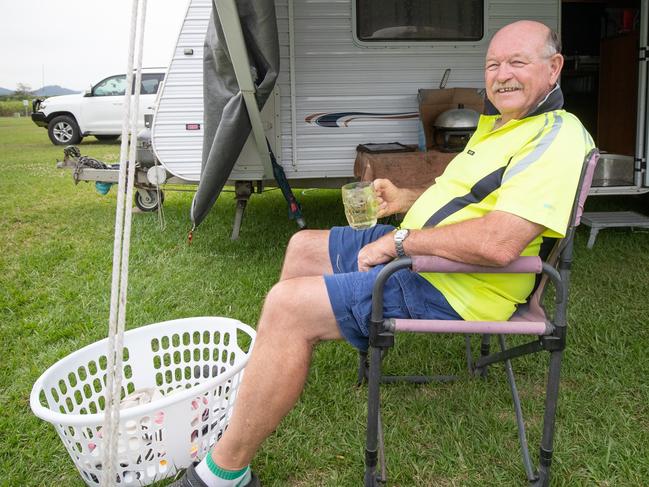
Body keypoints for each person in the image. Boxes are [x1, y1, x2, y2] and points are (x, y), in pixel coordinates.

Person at [172, 20, 594, 487]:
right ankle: (269, 380)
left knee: (287, 307)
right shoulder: (504, 125)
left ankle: (223, 471)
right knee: (302, 245)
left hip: (458, 282)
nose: (501, 75)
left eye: (517, 62)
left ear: (553, 68)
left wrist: (399, 242)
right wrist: (405, 197)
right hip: (429, 254)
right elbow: (468, 196)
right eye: (493, 64)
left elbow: (498, 243)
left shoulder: (556, 137)